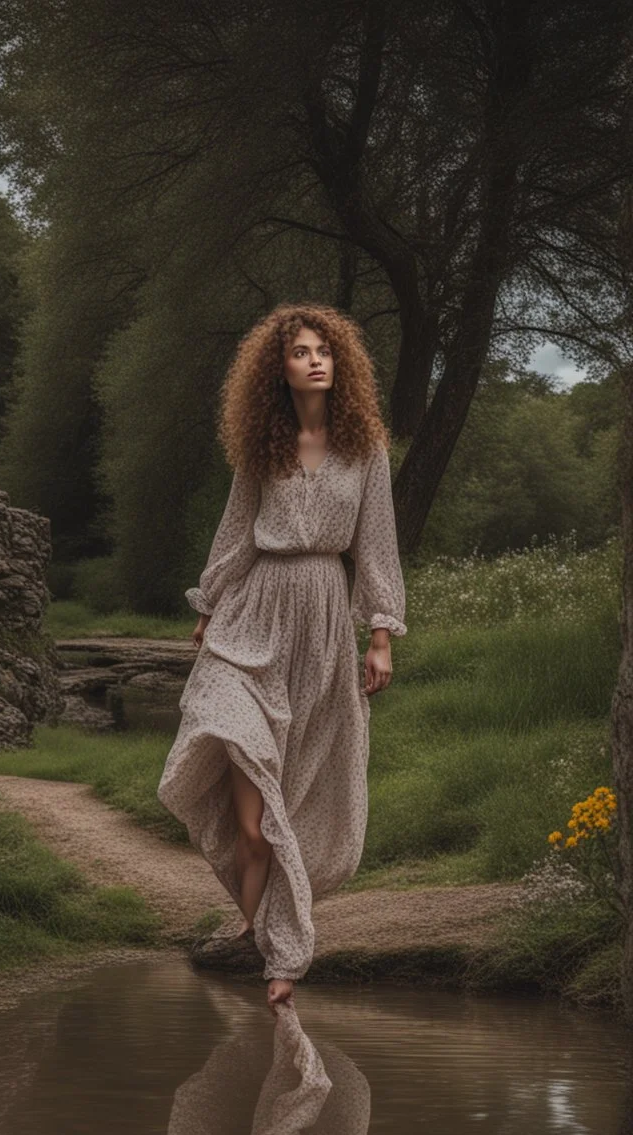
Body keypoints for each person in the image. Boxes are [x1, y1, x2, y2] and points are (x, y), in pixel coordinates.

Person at [157, 302, 406, 1013]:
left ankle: (270, 942)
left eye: (325, 349)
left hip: (324, 620)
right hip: (251, 615)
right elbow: (236, 534)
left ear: (342, 364)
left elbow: (377, 547)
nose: (316, 359)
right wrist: (208, 608)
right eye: (301, 351)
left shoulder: (366, 451)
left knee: (280, 812)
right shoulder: (261, 450)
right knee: (246, 812)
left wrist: (380, 634)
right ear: (280, 367)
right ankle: (264, 934)